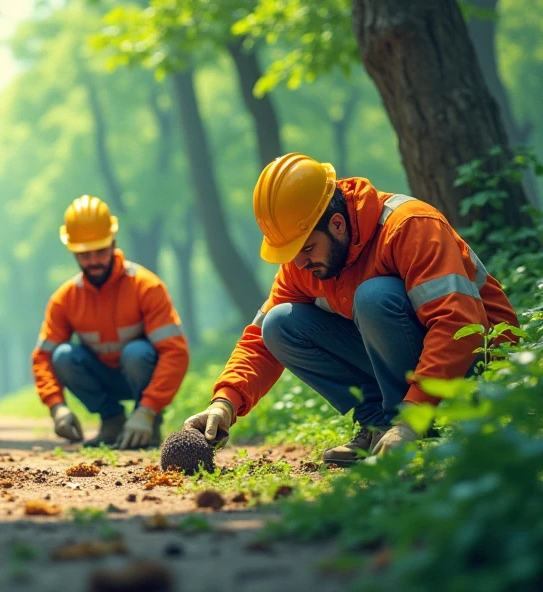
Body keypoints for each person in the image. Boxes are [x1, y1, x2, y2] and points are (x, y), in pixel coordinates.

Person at [184, 153, 519, 465]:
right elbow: (260, 338)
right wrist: (225, 402)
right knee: (279, 323)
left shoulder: (410, 226)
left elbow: (456, 323)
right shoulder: (304, 263)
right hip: (413, 361)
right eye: (292, 253)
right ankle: (379, 427)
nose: (300, 262)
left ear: (338, 224)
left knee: (373, 296)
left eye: (307, 248)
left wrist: (413, 417)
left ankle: (409, 425)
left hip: (476, 359)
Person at [31, 195, 189, 450]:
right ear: (73, 252)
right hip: (103, 379)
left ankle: (148, 425)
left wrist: (147, 410)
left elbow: (175, 352)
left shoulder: (146, 287)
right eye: (84, 254)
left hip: (140, 376)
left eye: (100, 251)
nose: (93, 261)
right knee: (62, 355)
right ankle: (112, 421)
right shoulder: (65, 299)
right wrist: (56, 406)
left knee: (136, 352)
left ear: (113, 243)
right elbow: (43, 358)